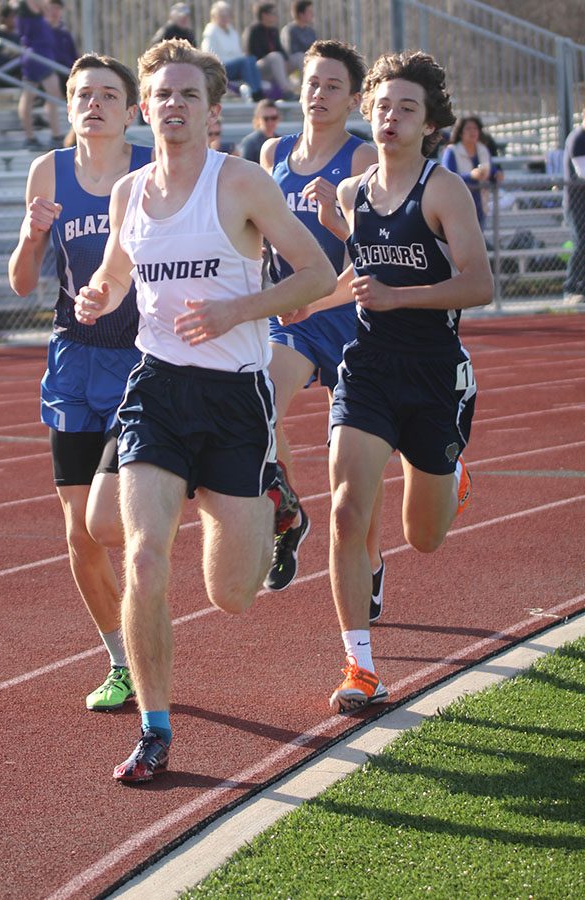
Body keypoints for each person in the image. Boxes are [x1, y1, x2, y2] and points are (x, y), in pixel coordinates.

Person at [73, 38, 336, 782]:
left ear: (212, 111)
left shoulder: (242, 184)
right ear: (145, 107)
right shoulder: (128, 193)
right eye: (163, 95)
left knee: (232, 596)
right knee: (143, 554)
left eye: (190, 96)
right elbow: (116, 276)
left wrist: (239, 310)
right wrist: (100, 296)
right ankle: (156, 730)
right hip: (157, 388)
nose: (175, 107)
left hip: (234, 396)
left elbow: (316, 275)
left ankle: (278, 502)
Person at [291, 50, 493, 713]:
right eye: (381, 106)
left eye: (407, 108)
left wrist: (401, 298)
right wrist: (316, 304)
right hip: (368, 368)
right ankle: (360, 665)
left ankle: (449, 473)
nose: (391, 118)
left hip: (433, 373)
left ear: (429, 122)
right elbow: (362, 278)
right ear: (367, 111)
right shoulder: (353, 195)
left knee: (426, 537)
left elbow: (479, 284)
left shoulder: (443, 189)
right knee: (348, 507)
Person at [8, 53, 153, 713]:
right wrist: (33, 237)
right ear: (68, 107)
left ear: (131, 109)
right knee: (79, 534)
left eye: (106, 94)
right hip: (72, 360)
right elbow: (20, 280)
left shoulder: (152, 167)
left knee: (121, 522)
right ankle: (122, 659)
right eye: (81, 95)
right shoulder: (50, 171)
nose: (93, 104)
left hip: (143, 359)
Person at [260, 40, 382, 603]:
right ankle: (287, 512)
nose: (319, 94)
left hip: (351, 317)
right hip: (296, 317)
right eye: (312, 83)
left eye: (333, 86)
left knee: (353, 483)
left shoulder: (360, 161)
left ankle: (371, 561)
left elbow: (374, 253)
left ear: (354, 99)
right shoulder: (272, 154)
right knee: (258, 401)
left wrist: (337, 217)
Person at [16, 0, 64, 149]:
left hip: (43, 57)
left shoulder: (40, 15)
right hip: (37, 59)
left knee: (50, 96)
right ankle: (36, 136)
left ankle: (51, 135)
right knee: (45, 95)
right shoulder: (28, 9)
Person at [440, 114, 503, 229]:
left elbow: (491, 170)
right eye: (468, 128)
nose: (472, 132)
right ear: (460, 132)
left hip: (480, 204)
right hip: (457, 206)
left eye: (475, 129)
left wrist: (496, 175)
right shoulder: (452, 151)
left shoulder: (483, 150)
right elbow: (447, 179)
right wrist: (471, 176)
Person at [201, 1, 264, 102]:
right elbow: (209, 55)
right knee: (244, 62)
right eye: (222, 15)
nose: (225, 17)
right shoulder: (211, 31)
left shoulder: (232, 32)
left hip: (235, 65)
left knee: (251, 59)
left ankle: (258, 91)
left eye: (227, 14)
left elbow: (238, 53)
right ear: (215, 16)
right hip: (220, 67)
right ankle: (254, 92)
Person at [242, 2, 297, 101]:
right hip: (258, 68)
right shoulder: (253, 30)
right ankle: (286, 91)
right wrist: (277, 59)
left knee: (299, 57)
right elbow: (253, 54)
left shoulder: (273, 30)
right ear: (264, 15)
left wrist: (286, 60)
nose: (276, 16)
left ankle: (302, 91)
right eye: (273, 13)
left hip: (276, 64)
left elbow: (280, 49)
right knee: (275, 57)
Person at [563, 105, 585, 304]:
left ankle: (582, 287)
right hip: (577, 204)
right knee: (580, 242)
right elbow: (582, 172)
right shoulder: (578, 138)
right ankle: (570, 287)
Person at [44, 0, 78, 97]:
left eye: (57, 8)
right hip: (51, 72)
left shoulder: (65, 33)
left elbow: (74, 55)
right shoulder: (41, 32)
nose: (54, 12)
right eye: (51, 8)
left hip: (68, 71)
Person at [280, 1, 316, 75]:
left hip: (308, 60)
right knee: (300, 57)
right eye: (309, 11)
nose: (312, 14)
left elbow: (315, 49)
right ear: (301, 14)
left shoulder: (311, 31)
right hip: (290, 63)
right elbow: (291, 52)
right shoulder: (289, 30)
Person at [239, 97, 280, 163]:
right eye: (266, 118)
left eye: (274, 118)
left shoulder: (280, 140)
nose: (270, 122)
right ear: (258, 119)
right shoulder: (250, 142)